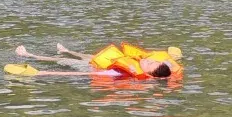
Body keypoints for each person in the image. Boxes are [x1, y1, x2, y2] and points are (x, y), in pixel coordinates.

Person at [10, 43, 177, 79]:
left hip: (89, 67)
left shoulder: (119, 72)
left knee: (60, 60)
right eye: (151, 61)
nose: (147, 60)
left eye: (149, 64)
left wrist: (41, 72)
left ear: (149, 75)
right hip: (97, 61)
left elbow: (83, 74)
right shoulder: (138, 63)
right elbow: (169, 65)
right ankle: (67, 50)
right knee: (87, 55)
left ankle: (29, 55)